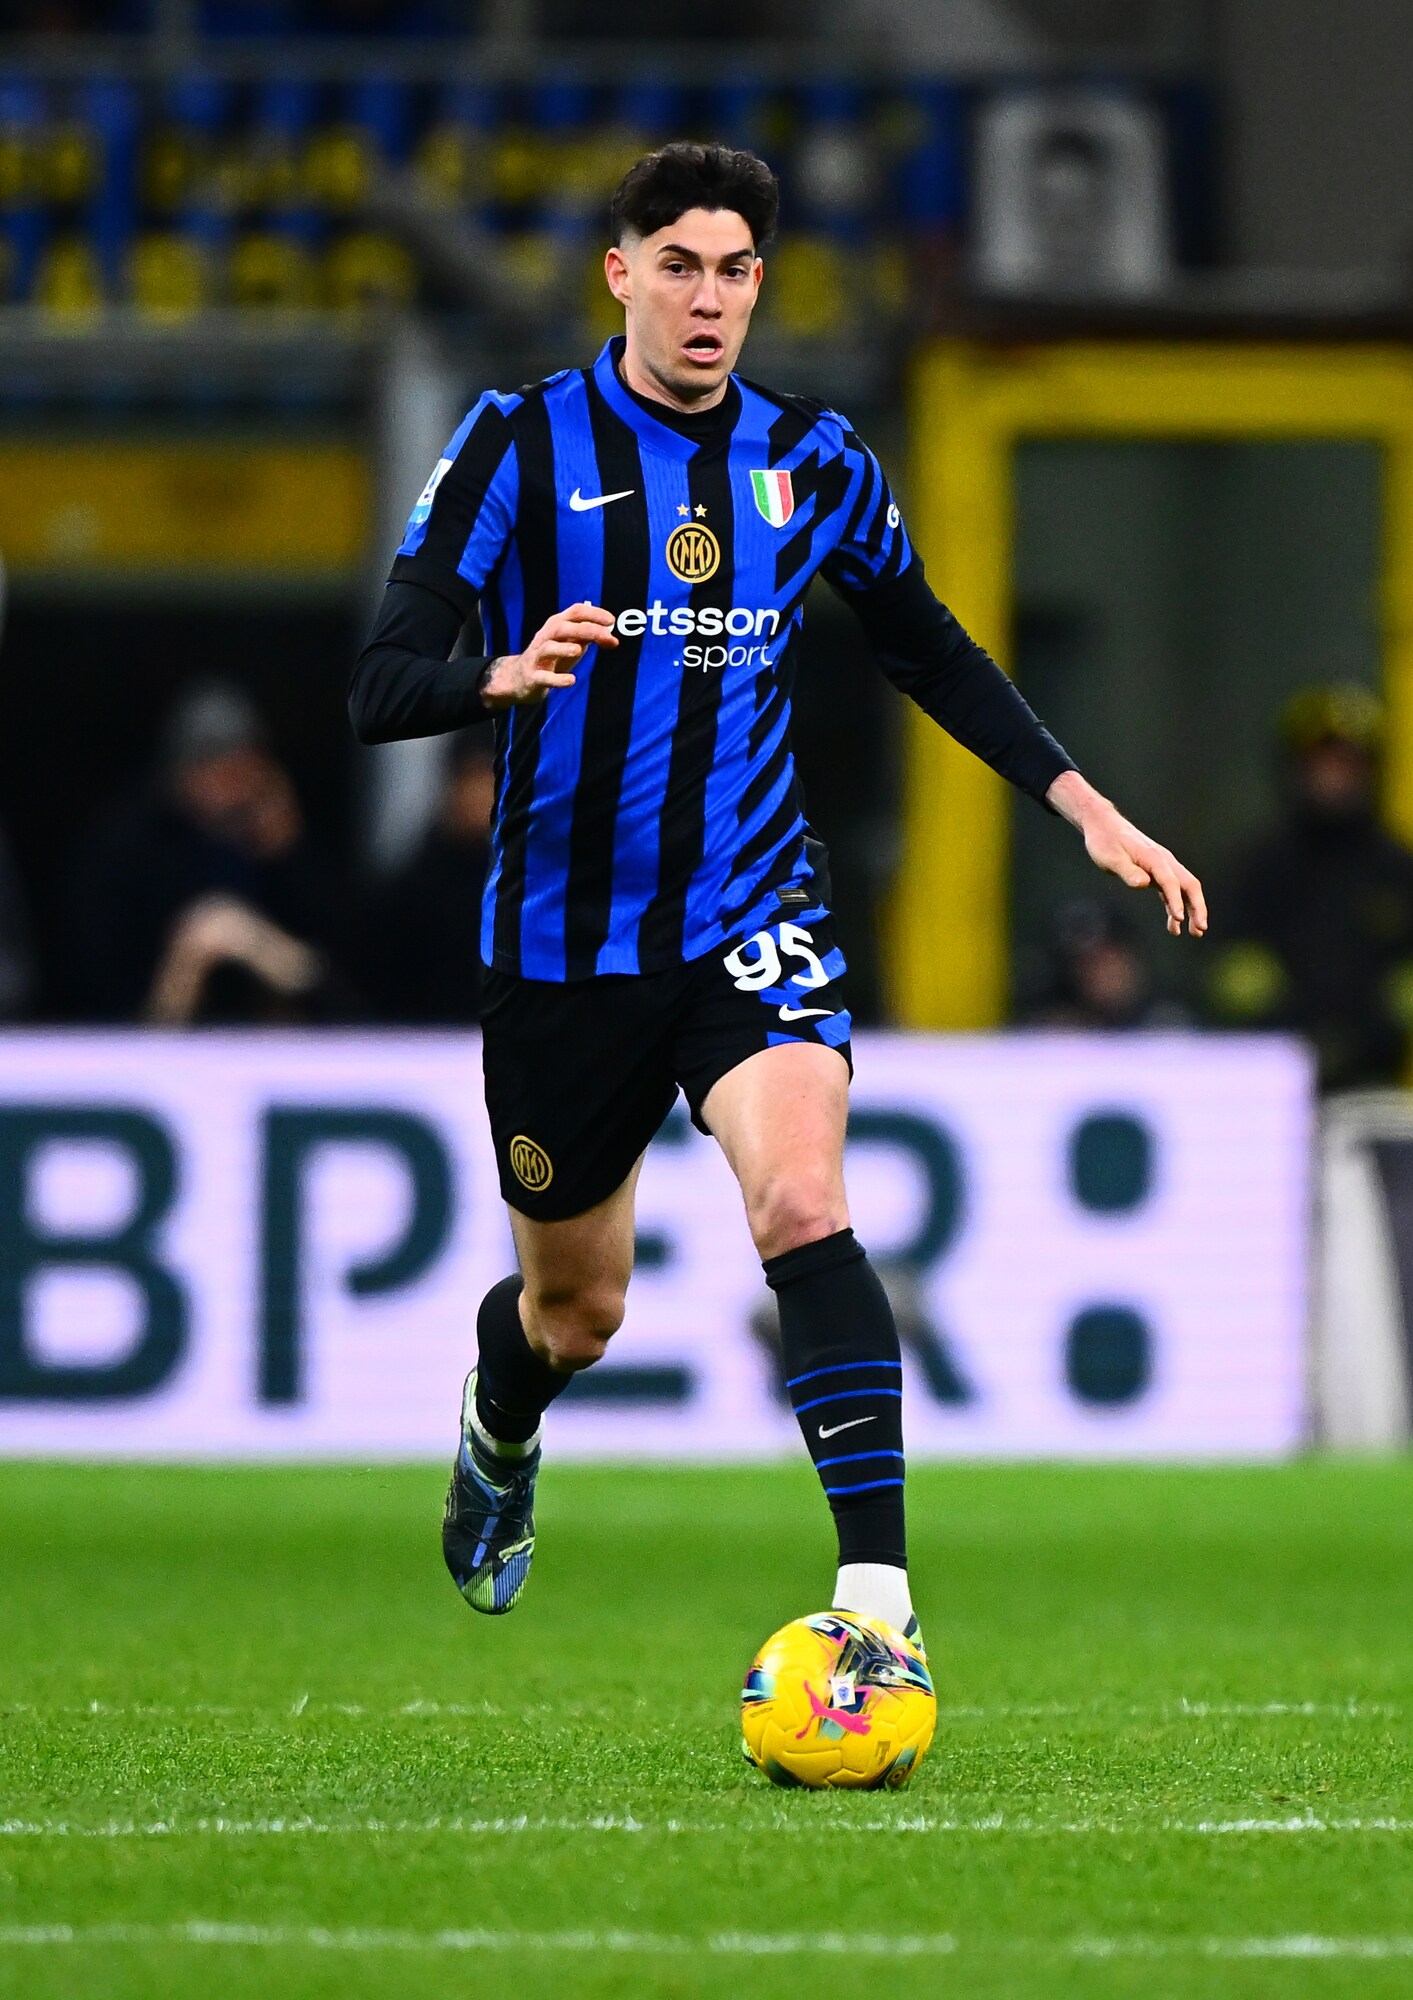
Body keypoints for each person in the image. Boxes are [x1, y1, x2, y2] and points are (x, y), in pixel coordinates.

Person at [349, 142, 1206, 1641]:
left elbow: (928, 646)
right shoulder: (516, 444)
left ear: (761, 286)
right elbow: (378, 683)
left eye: (735, 271)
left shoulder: (813, 460)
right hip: (565, 944)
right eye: (677, 266)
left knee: (804, 1198)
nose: (707, 299)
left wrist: (1082, 805)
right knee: (575, 1313)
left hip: (752, 908)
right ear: (618, 273)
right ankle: (502, 1420)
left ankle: (877, 1603)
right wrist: (497, 673)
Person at [67, 679, 352, 1022]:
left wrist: (289, 855)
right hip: (157, 1026)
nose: (239, 790)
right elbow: (103, 990)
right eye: (224, 772)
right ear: (184, 772)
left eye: (248, 770)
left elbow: (337, 968)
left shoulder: (276, 839)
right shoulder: (128, 849)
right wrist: (192, 954)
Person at [1207, 684, 1413, 1090]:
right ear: (1294, 769)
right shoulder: (1260, 866)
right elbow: (1229, 967)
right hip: (1275, 1078)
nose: (1333, 778)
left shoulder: (1396, 869)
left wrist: (1368, 1030)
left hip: (1374, 1079)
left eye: (1347, 765)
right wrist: (1292, 1025)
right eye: (1321, 764)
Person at [359, 729, 495, 1024]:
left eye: (489, 780)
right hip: (428, 1035)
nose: (480, 794)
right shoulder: (416, 885)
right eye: (472, 779)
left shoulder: (520, 875)